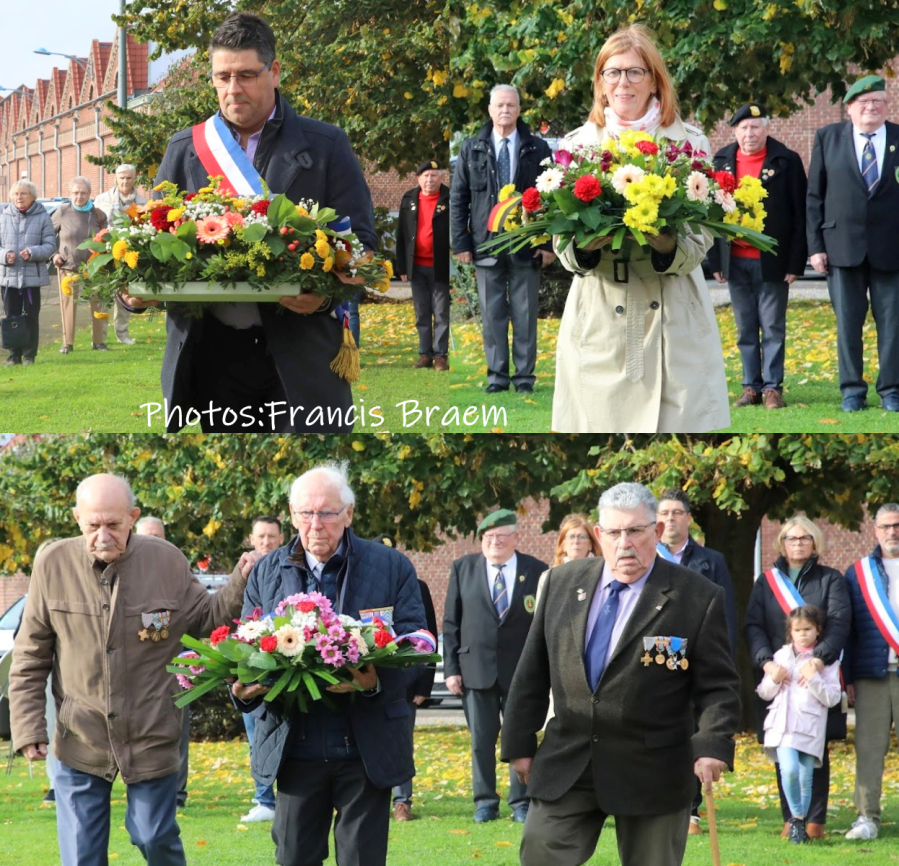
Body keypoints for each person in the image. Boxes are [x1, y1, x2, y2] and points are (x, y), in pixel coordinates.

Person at [125, 12, 377, 432]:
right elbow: (150, 239)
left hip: (303, 357)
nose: (232, 89)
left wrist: (326, 297)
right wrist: (132, 294)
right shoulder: (185, 148)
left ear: (274, 71)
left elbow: (363, 245)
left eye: (245, 75)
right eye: (222, 77)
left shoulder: (326, 145)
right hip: (212, 358)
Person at [9, 473, 255, 866]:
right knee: (82, 856)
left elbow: (207, 618)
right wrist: (28, 728)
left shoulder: (166, 560)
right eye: (92, 525)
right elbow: (30, 655)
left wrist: (241, 578)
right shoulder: (52, 564)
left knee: (153, 836)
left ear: (133, 516)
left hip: (151, 730)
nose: (102, 535)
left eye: (113, 524)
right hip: (80, 734)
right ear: (76, 519)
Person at [501, 482, 740, 866]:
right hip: (572, 756)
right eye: (613, 533)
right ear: (599, 534)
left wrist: (712, 744)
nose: (624, 544)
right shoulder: (563, 584)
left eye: (635, 531)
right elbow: (533, 668)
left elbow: (718, 686)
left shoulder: (696, 597)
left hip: (653, 766)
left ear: (657, 532)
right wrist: (518, 742)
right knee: (540, 852)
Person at [231, 463, 428, 866]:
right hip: (294, 745)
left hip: (365, 747)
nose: (315, 524)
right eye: (306, 513)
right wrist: (243, 691)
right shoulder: (267, 571)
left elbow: (419, 645)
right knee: (294, 858)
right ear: (291, 513)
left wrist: (373, 682)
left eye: (327, 513)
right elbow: (245, 645)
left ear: (349, 514)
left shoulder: (391, 566)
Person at [551, 24, 729, 433]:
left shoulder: (691, 143)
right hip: (600, 312)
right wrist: (586, 245)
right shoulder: (577, 145)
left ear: (655, 81)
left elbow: (702, 235)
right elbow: (562, 239)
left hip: (674, 314)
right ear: (599, 82)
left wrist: (667, 244)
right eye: (611, 72)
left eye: (635, 72)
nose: (622, 82)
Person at [744, 515, 850, 839]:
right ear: (782, 543)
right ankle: (792, 819)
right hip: (782, 676)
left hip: (816, 675)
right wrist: (766, 664)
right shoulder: (766, 582)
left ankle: (814, 819)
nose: (798, 543)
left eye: (805, 538)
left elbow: (839, 623)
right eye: (792, 538)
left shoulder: (831, 579)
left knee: (814, 750)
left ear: (814, 542)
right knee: (785, 748)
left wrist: (819, 660)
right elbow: (754, 626)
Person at [442, 508, 548, 823]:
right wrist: (451, 669)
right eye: (489, 537)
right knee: (481, 741)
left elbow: (543, 624)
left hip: (521, 672)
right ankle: (485, 802)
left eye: (502, 536)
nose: (495, 542)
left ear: (516, 538)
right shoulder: (463, 568)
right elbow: (451, 623)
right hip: (475, 669)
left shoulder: (538, 570)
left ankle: (521, 802)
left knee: (521, 737)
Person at [451, 84, 555, 394]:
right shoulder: (472, 149)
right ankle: (497, 377)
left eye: (511, 105)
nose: (505, 110)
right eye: (500, 105)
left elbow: (551, 199)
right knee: (492, 316)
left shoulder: (538, 149)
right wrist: (461, 244)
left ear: (519, 109)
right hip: (485, 245)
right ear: (490, 110)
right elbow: (459, 199)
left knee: (524, 315)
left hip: (525, 245)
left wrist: (546, 244)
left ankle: (524, 379)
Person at [807, 74, 899, 413]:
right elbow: (814, 196)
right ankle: (852, 391)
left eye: (877, 101)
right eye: (863, 102)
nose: (871, 107)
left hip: (892, 248)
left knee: (893, 324)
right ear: (850, 108)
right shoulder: (827, 138)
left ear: (887, 105)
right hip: (841, 248)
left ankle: (891, 390)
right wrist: (815, 246)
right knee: (848, 324)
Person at [707, 103, 808, 410]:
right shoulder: (722, 160)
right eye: (743, 128)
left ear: (766, 129)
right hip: (735, 260)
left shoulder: (786, 161)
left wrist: (795, 262)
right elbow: (709, 214)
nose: (749, 133)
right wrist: (715, 261)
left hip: (773, 260)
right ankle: (751, 386)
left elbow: (800, 215)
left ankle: (773, 388)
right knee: (745, 327)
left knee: (773, 326)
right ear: (734, 130)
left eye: (755, 127)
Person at [656, 487, 737, 834]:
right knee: (661, 728)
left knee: (693, 729)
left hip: (698, 652)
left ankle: (690, 809)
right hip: (657, 651)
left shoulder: (712, 561)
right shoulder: (646, 559)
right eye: (664, 514)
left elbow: (726, 615)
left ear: (689, 518)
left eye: (677, 512)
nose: (670, 519)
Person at [757, 605, 842, 844]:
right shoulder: (781, 656)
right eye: (797, 630)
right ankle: (796, 819)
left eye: (808, 629)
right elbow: (764, 692)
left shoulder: (826, 661)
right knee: (790, 770)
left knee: (806, 778)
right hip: (782, 726)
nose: (802, 634)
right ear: (790, 632)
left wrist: (814, 678)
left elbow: (833, 698)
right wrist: (773, 678)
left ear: (818, 630)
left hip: (810, 727)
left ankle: (798, 825)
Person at [842, 503, 899, 840]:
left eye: (898, 525)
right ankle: (867, 817)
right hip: (871, 672)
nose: (893, 531)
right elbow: (849, 629)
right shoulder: (858, 572)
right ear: (875, 530)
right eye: (886, 526)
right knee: (869, 748)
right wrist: (847, 677)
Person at [372, 534, 439, 822]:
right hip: (367, 678)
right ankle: (376, 797)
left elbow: (428, 635)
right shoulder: (364, 588)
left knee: (402, 741)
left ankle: (402, 801)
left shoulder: (416, 586)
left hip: (405, 682)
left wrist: (424, 683)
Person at [133, 515, 191, 810]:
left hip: (175, 669)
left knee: (177, 733)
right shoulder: (128, 571)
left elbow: (170, 627)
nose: (154, 541)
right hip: (135, 674)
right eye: (147, 536)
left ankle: (177, 795)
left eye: (159, 535)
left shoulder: (175, 570)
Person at [239, 515, 284, 823]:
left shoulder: (290, 568)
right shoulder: (241, 573)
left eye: (272, 536)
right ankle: (264, 799)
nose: (266, 541)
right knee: (256, 734)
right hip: (253, 663)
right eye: (261, 537)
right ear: (251, 540)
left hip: (288, 660)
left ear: (281, 539)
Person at [396, 160, 450, 371]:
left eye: (434, 175)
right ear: (418, 178)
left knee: (441, 312)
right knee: (421, 312)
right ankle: (424, 354)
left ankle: (440, 356)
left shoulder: (449, 198)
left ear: (441, 178)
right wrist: (401, 267)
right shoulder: (409, 198)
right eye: (426, 176)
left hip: (440, 267)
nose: (430, 180)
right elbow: (401, 233)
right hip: (416, 266)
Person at [51, 177, 111, 354]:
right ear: (70, 193)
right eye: (76, 192)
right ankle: (67, 343)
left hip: (94, 267)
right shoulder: (61, 212)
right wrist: (54, 255)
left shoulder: (99, 214)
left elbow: (106, 238)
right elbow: (47, 236)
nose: (79, 196)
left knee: (97, 304)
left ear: (89, 194)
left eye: (83, 193)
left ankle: (98, 342)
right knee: (68, 305)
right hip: (69, 267)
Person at [1, 180, 56, 367]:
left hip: (32, 278)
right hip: (8, 278)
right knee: (11, 316)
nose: (19, 197)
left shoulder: (43, 217)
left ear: (32, 196)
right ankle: (13, 356)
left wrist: (33, 253)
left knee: (31, 316)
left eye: (23, 193)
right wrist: (4, 255)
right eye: (16, 194)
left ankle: (29, 355)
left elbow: (50, 246)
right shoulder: (3, 216)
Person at [94, 164, 148, 345]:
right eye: (121, 178)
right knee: (104, 294)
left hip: (129, 253)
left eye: (129, 178)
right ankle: (100, 336)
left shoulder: (142, 202)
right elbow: (95, 225)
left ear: (135, 179)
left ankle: (122, 334)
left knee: (125, 293)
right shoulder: (102, 199)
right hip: (106, 252)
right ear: (116, 178)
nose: (125, 181)